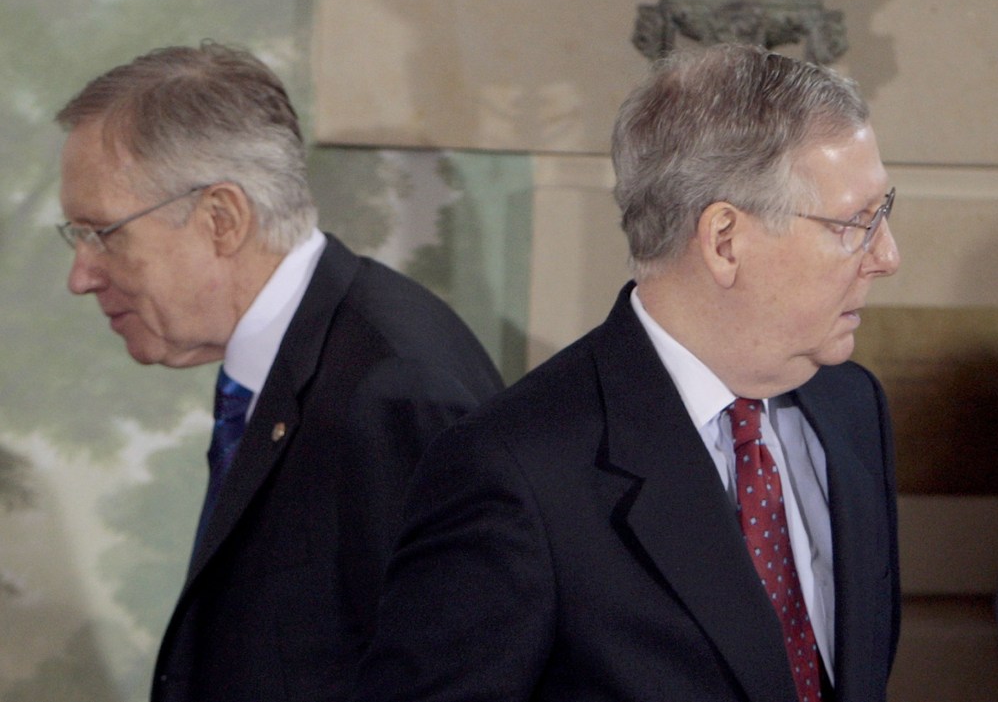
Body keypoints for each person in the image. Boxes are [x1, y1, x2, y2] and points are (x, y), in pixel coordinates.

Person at [350, 43, 901, 702]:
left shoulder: (853, 406)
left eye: (884, 211)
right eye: (856, 223)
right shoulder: (515, 469)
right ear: (726, 241)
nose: (887, 256)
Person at [54, 42, 504, 702]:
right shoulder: (289, 358)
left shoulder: (396, 388)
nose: (80, 275)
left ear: (222, 219)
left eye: (103, 233)